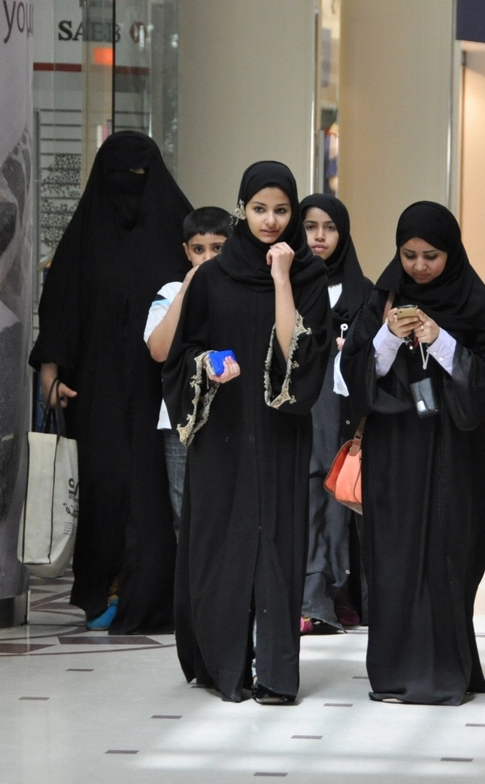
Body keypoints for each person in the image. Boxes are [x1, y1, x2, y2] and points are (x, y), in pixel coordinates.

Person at [165, 161, 332, 704]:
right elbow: (180, 354)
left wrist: (283, 278)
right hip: (226, 430)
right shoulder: (213, 277)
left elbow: (298, 353)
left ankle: (277, 674)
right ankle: (223, 663)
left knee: (278, 542)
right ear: (242, 208)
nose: (270, 220)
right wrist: (207, 362)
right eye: (259, 209)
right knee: (223, 542)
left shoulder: (306, 277)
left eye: (282, 211)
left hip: (281, 433)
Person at [339, 201, 485, 705]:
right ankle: (394, 673)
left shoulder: (475, 302)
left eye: (431, 255)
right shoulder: (381, 299)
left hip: (455, 453)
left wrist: (443, 341)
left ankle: (447, 671)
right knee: (393, 556)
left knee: (451, 551)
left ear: (451, 252)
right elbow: (354, 372)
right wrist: (389, 336)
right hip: (395, 452)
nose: (419, 266)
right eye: (409, 255)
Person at [30, 131, 193, 633]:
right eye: (119, 178)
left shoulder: (176, 231)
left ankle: (152, 592)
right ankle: (102, 588)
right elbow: (61, 303)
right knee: (105, 488)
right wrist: (51, 369)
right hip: (95, 390)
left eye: (139, 178)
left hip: (158, 391)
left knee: (151, 490)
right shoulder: (85, 236)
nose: (129, 188)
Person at [297, 193, 372, 634]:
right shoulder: (286, 284)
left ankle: (338, 593)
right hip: (301, 416)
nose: (320, 236)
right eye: (310, 227)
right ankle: (311, 597)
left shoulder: (363, 291)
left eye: (329, 227)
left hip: (344, 417)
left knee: (340, 505)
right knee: (307, 503)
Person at [144, 207, 231, 536]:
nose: (208, 258)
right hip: (181, 420)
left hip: (231, 417)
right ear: (186, 251)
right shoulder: (169, 293)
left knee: (230, 510)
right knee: (186, 513)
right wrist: (186, 290)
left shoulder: (244, 292)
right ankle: (193, 589)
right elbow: (159, 350)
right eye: (199, 250)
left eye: (218, 248)